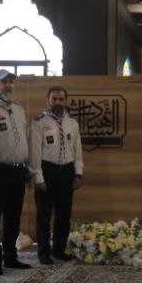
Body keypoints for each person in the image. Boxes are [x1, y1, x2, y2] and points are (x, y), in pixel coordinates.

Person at [0, 69, 32, 274]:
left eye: (11, 81)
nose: (9, 85)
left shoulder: (18, 109)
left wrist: (28, 167)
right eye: (4, 82)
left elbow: (24, 140)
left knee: (13, 216)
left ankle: (10, 257)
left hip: (18, 170)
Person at [30, 85, 83, 265]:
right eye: (54, 99)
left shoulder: (72, 123)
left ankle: (59, 251)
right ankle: (43, 253)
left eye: (61, 99)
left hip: (67, 172)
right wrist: (38, 177)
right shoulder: (39, 122)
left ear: (65, 101)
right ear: (48, 100)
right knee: (44, 216)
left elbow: (77, 151)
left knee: (64, 215)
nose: (58, 102)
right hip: (47, 170)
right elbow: (35, 153)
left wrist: (78, 174)